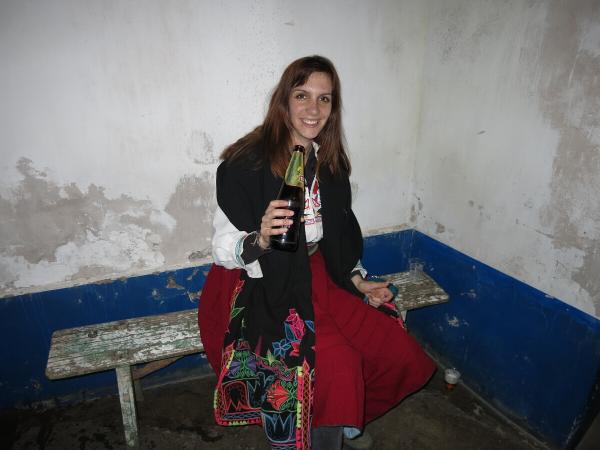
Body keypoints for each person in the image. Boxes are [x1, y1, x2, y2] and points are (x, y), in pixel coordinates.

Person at [198, 55, 435, 450]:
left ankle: (345, 418)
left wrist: (357, 280)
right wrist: (261, 237)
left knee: (397, 352)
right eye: (302, 95)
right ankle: (316, 432)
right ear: (284, 101)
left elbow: (337, 235)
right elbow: (223, 250)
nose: (313, 108)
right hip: (259, 281)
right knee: (335, 364)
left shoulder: (330, 164)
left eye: (324, 99)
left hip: (315, 272)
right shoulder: (245, 165)